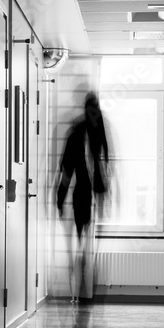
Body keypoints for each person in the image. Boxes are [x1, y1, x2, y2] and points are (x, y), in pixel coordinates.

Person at [56, 92, 111, 302]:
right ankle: (83, 289)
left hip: (85, 194)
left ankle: (80, 288)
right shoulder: (96, 131)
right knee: (86, 243)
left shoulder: (80, 132)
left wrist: (60, 199)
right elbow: (101, 167)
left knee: (82, 242)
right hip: (91, 194)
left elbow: (68, 171)